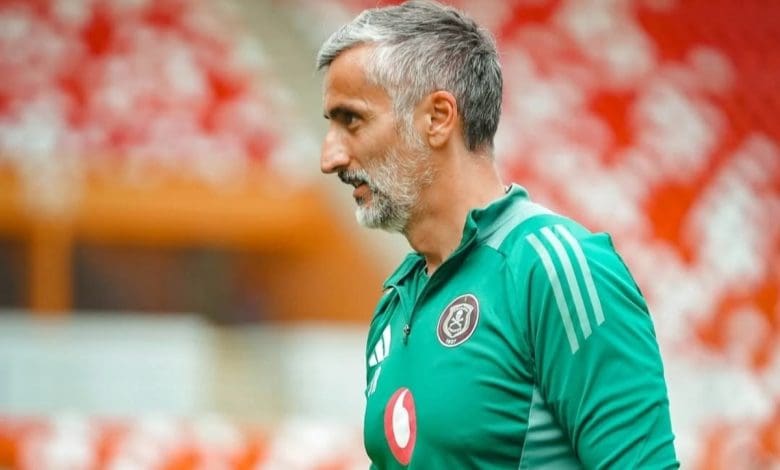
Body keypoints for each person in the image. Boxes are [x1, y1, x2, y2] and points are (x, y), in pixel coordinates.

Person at [316, 1, 678, 468]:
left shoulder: (556, 268)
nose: (330, 158)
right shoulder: (395, 302)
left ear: (438, 117)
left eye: (352, 120)